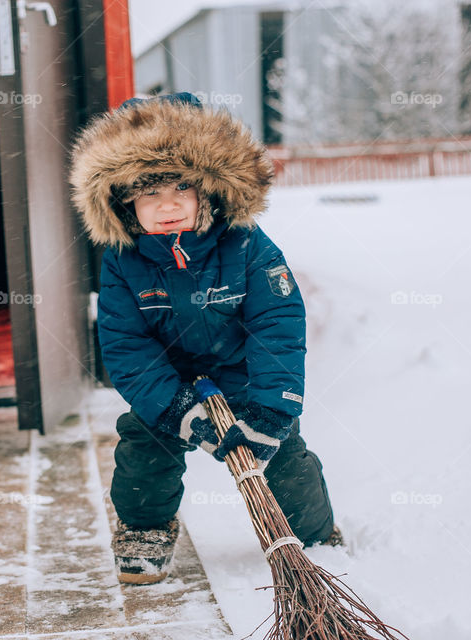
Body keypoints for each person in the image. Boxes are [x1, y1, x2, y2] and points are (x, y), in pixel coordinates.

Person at [69, 92, 339, 585]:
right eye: (149, 195)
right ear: (125, 203)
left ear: (208, 193)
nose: (167, 206)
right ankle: (145, 527)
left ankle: (317, 534)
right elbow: (127, 347)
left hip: (240, 373)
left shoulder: (245, 243)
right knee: (143, 444)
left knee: (284, 455)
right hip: (169, 382)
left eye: (180, 191)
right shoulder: (123, 261)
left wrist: (272, 410)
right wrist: (181, 412)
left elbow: (277, 324)